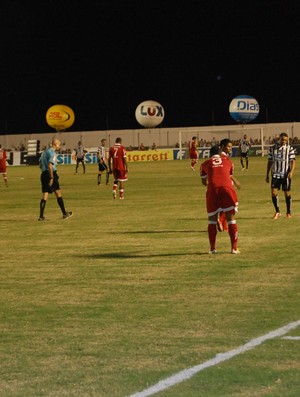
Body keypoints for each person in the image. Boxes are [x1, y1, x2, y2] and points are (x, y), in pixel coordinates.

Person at [200, 145, 241, 254]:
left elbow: (204, 182)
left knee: (212, 220)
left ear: (210, 154)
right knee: (231, 219)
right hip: (227, 189)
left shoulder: (205, 163)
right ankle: (234, 248)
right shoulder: (228, 161)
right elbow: (229, 175)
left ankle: (213, 249)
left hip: (213, 190)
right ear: (220, 152)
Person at [38, 138, 73, 221]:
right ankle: (64, 214)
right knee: (58, 193)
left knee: (45, 195)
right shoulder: (52, 153)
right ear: (55, 144)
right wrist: (51, 177)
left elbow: (39, 164)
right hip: (51, 173)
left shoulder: (44, 152)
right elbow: (50, 165)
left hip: (43, 174)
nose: (59, 146)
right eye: (59, 145)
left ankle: (41, 216)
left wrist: (45, 172)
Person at [266, 132, 296, 219]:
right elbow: (270, 161)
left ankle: (288, 212)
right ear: (279, 139)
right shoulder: (273, 148)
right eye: (282, 139)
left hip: (285, 175)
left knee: (287, 193)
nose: (284, 141)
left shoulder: (289, 148)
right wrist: (267, 174)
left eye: (286, 140)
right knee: (273, 193)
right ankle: (277, 211)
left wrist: (291, 172)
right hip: (275, 174)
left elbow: (293, 161)